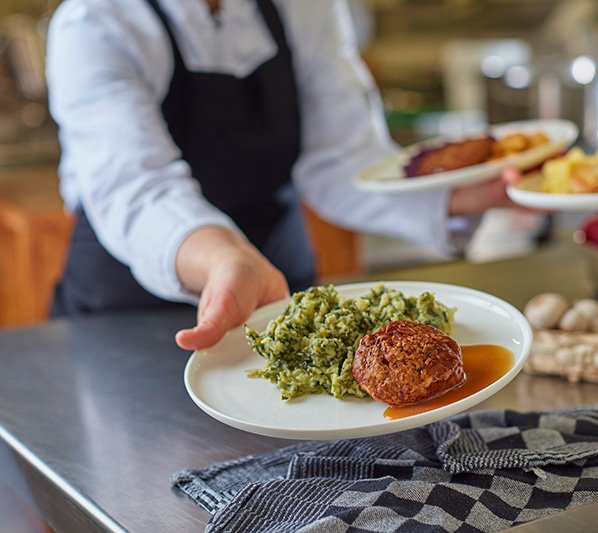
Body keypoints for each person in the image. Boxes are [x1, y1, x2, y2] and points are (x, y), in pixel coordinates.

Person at [45, 0, 526, 352]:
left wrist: (459, 195)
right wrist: (223, 259)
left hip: (272, 279)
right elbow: (137, 186)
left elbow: (342, 158)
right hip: (129, 313)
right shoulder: (95, 22)